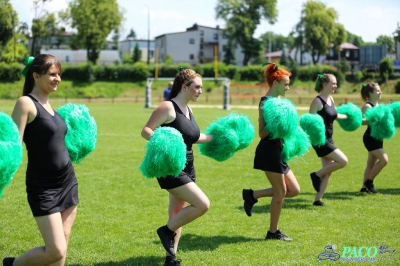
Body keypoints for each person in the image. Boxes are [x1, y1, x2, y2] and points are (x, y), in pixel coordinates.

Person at [3, 54, 79, 266]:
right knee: (55, 250)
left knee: (62, 248)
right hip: (43, 187)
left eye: (59, 75)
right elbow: (13, 144)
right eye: (52, 74)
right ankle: (13, 264)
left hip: (67, 182)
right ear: (36, 76)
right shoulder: (26, 103)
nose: (58, 79)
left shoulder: (50, 106)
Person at [141, 68, 213, 266]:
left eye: (201, 88)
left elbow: (195, 137)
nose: (200, 91)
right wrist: (166, 143)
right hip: (171, 166)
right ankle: (165, 231)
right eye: (197, 87)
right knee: (202, 204)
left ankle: (170, 259)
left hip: (188, 165)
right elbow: (146, 131)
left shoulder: (189, 109)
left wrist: (218, 138)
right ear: (184, 86)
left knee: (177, 214)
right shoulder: (167, 107)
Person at [242, 63, 300, 242]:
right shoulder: (265, 102)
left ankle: (252, 195)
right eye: (286, 84)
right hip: (269, 150)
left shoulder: (281, 102)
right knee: (281, 192)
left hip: (279, 150)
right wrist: (276, 124)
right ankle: (273, 232)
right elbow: (262, 133)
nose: (288, 87)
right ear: (275, 83)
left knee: (294, 190)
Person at [309, 74, 348, 206]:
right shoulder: (317, 101)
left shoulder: (331, 99)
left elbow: (335, 115)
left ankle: (317, 200)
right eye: (333, 83)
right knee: (343, 161)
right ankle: (316, 175)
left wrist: (351, 117)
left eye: (336, 83)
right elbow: (309, 122)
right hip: (320, 140)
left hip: (330, 139)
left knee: (328, 169)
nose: (335, 86)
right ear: (325, 84)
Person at [360, 82, 388, 193]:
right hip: (370, 138)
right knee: (384, 160)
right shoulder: (367, 106)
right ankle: (369, 182)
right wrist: (374, 119)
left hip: (379, 138)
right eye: (377, 90)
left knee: (371, 164)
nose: (380, 92)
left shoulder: (379, 106)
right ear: (371, 93)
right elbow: (362, 121)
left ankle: (364, 187)